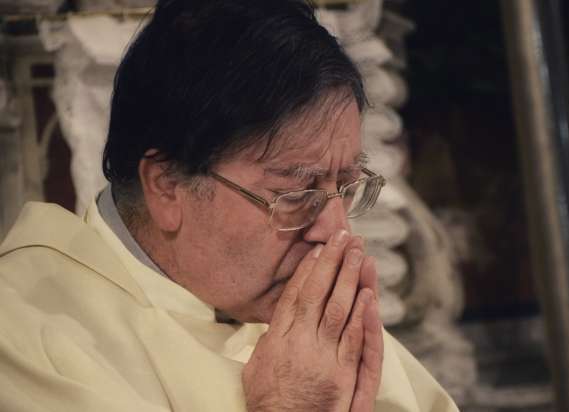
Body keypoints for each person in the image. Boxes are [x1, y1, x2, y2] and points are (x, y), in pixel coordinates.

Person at [0, 0, 459, 411]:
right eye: (296, 195)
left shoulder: (309, 315)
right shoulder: (26, 331)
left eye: (346, 187)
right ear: (167, 186)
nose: (336, 231)